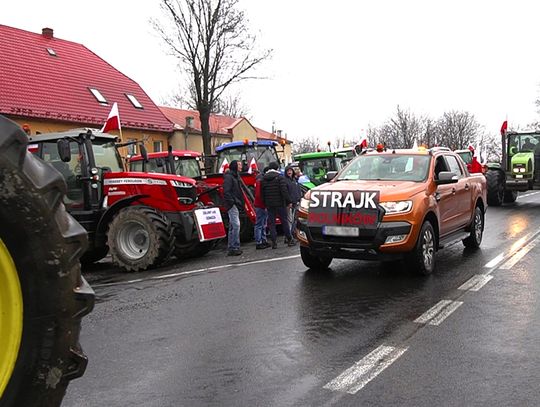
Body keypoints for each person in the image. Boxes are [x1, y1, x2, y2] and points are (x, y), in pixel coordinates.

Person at [261, 161, 295, 248]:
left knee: (271, 223)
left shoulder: (264, 179)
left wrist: (265, 203)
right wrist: (289, 201)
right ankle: (289, 239)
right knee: (284, 222)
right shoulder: (280, 177)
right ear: (277, 168)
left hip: (269, 204)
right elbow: (284, 191)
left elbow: (262, 193)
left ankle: (274, 242)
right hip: (280, 203)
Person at [223, 160, 244, 256]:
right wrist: (233, 202)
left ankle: (232, 247)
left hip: (234, 203)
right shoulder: (230, 177)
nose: (241, 166)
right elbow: (226, 191)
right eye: (239, 164)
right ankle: (235, 246)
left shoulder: (233, 177)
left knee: (233, 226)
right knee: (236, 225)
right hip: (232, 204)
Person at [253, 167, 270, 250]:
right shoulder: (261, 181)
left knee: (262, 224)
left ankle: (262, 240)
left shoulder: (260, 180)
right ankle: (259, 241)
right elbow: (259, 195)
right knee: (260, 224)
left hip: (260, 205)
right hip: (261, 205)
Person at [284, 165, 302, 239]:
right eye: (288, 171)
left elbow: (297, 190)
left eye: (290, 170)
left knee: (295, 219)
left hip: (296, 201)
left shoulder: (294, 180)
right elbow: (286, 192)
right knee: (290, 220)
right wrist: (289, 202)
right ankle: (289, 236)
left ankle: (293, 234)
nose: (289, 172)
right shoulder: (285, 181)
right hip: (289, 203)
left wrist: (299, 199)